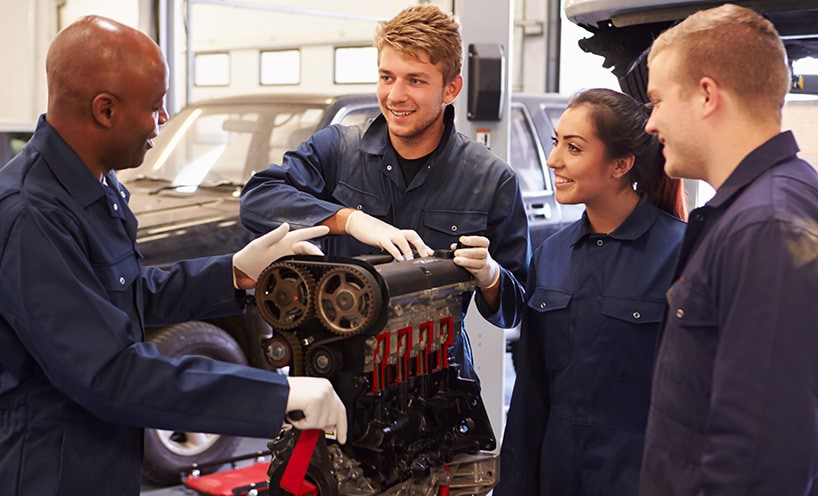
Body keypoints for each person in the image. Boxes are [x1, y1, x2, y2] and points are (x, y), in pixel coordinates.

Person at [0, 16, 347, 495]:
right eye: (156, 107)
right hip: (50, 469)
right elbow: (108, 373)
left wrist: (233, 274)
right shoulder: (32, 216)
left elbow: (128, 294)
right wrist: (277, 395)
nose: (162, 121)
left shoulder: (95, 185)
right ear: (105, 110)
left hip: (102, 454)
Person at [240, 4, 530, 383]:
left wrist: (491, 276)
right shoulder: (336, 150)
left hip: (435, 380)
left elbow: (515, 309)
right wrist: (349, 220)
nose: (395, 95)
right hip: (335, 372)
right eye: (387, 76)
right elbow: (257, 198)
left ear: (451, 88)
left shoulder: (492, 180)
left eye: (416, 80)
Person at [639, 4, 818, 495]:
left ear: (706, 95)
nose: (650, 124)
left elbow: (761, 457)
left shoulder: (765, 227)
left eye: (656, 101)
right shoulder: (769, 207)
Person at [496, 88, 687, 495]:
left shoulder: (683, 254)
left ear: (620, 164)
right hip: (558, 476)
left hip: (641, 478)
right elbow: (530, 395)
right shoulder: (551, 255)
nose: (554, 160)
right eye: (556, 142)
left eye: (574, 147)